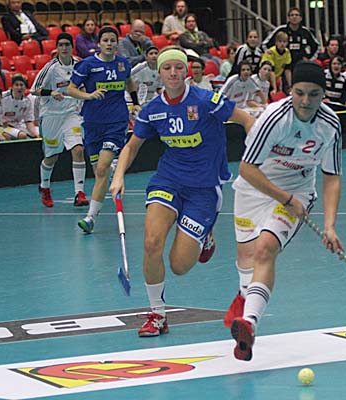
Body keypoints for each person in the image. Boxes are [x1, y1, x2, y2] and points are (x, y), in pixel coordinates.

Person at [109, 46, 255, 337]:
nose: (173, 73)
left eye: (178, 67)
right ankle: (157, 315)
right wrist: (118, 175)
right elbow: (132, 146)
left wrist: (255, 160)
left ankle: (204, 236)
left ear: (186, 71)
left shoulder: (206, 100)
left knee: (179, 265)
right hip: (168, 180)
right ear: (159, 72)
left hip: (204, 188)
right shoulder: (153, 110)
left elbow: (247, 121)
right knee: (152, 243)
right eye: (167, 68)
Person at [225, 61, 343, 361]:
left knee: (265, 249)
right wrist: (284, 198)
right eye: (299, 93)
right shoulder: (273, 118)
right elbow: (246, 169)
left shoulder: (330, 125)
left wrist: (330, 226)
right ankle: (245, 298)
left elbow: (331, 176)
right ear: (290, 90)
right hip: (255, 186)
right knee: (246, 256)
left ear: (324, 95)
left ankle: (249, 324)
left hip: (297, 189)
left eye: (314, 94)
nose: (305, 101)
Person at [66, 27, 141, 232]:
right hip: (92, 124)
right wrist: (89, 96)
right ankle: (115, 167)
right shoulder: (87, 65)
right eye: (105, 40)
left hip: (116, 123)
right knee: (99, 172)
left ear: (117, 43)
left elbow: (129, 82)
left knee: (101, 169)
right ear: (99, 43)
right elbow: (70, 89)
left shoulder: (123, 63)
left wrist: (135, 103)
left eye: (112, 40)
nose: (109, 44)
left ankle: (90, 218)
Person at [31, 32, 89, 208]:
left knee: (78, 149)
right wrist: (51, 92)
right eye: (61, 45)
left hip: (71, 114)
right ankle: (45, 187)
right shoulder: (50, 68)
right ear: (57, 48)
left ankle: (79, 193)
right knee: (52, 156)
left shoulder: (79, 64)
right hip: (51, 116)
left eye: (67, 45)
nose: (64, 48)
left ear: (72, 47)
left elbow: (84, 84)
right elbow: (34, 89)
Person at [1, 73, 39, 140]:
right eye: (16, 85)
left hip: (18, 125)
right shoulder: (2, 97)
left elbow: (28, 121)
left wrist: (35, 134)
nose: (19, 87)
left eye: (21, 85)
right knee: (22, 135)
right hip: (2, 126)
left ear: (25, 88)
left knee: (39, 133)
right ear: (12, 87)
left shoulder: (27, 101)